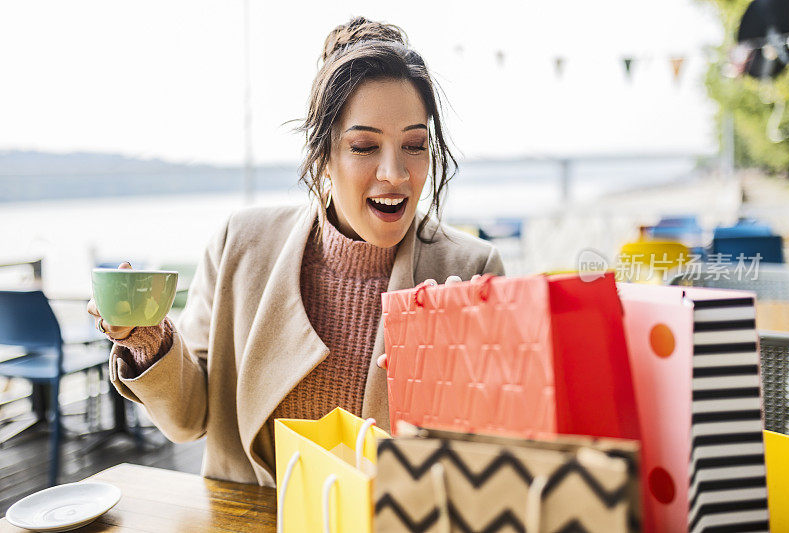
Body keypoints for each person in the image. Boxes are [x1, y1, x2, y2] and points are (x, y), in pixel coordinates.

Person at [87, 16, 504, 487]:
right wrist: (148, 341)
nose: (396, 173)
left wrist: (467, 378)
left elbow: (490, 467)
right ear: (323, 155)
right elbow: (189, 418)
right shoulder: (241, 244)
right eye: (365, 146)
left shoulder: (472, 271)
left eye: (415, 144)